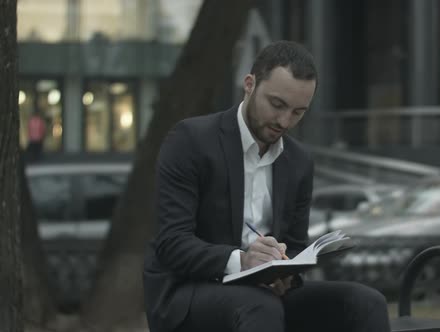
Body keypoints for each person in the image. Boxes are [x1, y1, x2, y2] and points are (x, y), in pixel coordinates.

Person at [143, 40, 391, 332]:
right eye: (277, 104)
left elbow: (295, 245)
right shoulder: (191, 140)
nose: (284, 121)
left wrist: (287, 274)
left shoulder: (298, 162)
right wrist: (243, 261)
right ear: (249, 84)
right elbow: (173, 243)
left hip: (263, 295)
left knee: (365, 302)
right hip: (187, 293)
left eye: (298, 112)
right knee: (259, 306)